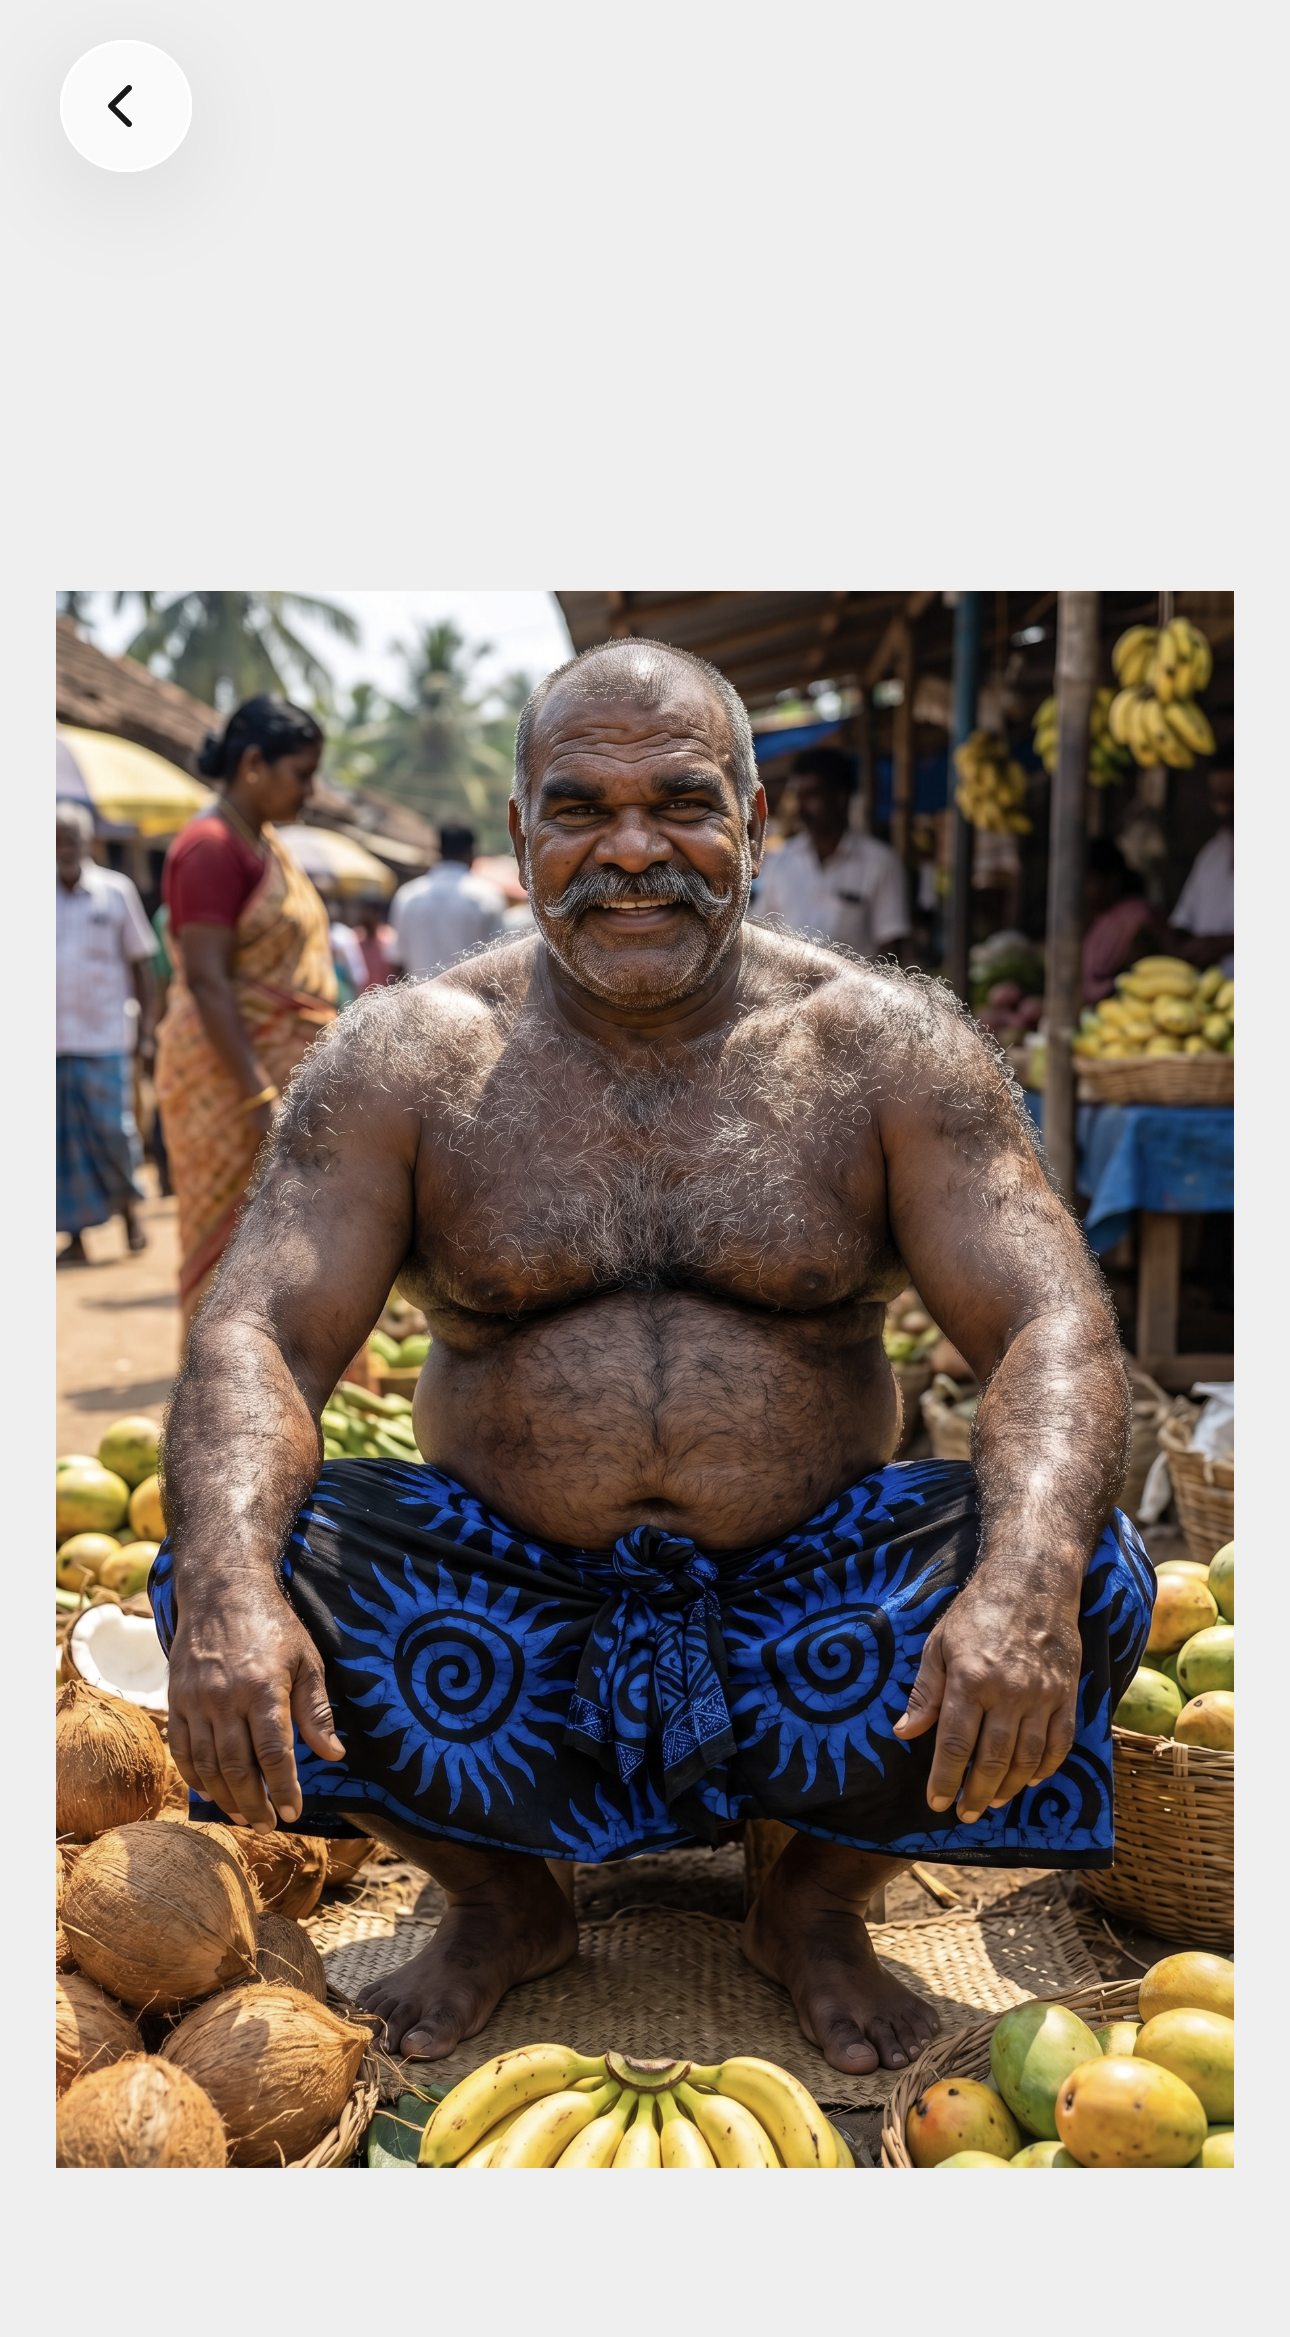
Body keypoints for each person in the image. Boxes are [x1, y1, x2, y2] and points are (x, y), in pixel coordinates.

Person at [153, 640, 1151, 2083]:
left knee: (1081, 1561)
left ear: (751, 822)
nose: (632, 852)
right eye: (580, 809)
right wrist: (241, 1592)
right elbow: (259, 1333)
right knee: (219, 1563)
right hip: (495, 1630)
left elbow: (1051, 1321)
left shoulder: (878, 1049)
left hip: (805, 1621)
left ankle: (806, 1903)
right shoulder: (411, 1059)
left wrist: (1021, 1581)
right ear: (520, 837)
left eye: (680, 802)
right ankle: (505, 1900)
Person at [153, 697, 338, 1331]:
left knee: (296, 1242)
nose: (310, 791)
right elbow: (207, 982)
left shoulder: (262, 845)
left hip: (274, 1074)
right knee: (229, 1246)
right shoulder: (209, 849)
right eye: (302, 773)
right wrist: (256, 1094)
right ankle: (217, 1410)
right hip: (227, 1080)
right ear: (254, 764)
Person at [56, 802, 157, 1263]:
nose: (62, 849)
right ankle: (74, 1237)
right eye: (55, 840)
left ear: (87, 843)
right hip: (52, 1042)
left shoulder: (115, 892)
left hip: (106, 1039)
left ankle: (130, 1213)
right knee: (60, 1144)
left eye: (70, 840)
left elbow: (142, 965)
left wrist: (149, 1029)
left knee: (114, 1133)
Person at [752, 744, 910, 960]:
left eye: (812, 795)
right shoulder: (781, 862)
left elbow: (892, 949)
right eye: (799, 795)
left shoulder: (880, 863)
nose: (802, 806)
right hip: (786, 992)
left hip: (857, 993)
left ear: (840, 798)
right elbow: (760, 933)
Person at [391, 823, 508, 977]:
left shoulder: (408, 896)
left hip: (416, 997)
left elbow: (397, 961)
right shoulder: (488, 897)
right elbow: (498, 961)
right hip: (470, 998)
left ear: (439, 851)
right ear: (470, 852)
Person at [1167, 770, 1234, 972]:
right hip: (1206, 991)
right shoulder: (1212, 854)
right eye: (1217, 798)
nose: (1223, 809)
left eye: (1232, 797)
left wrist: (1226, 944)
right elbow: (1183, 920)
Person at [1081, 839, 1161, 1006]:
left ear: (1112, 880)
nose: (1083, 890)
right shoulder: (1098, 919)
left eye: (1089, 880)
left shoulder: (1136, 916)